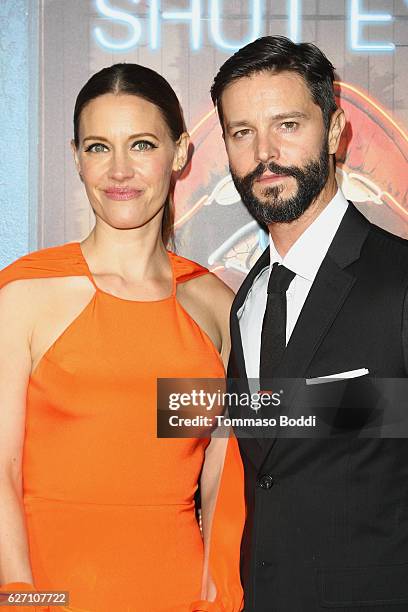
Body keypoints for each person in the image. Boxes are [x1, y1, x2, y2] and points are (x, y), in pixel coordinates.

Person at [0, 63, 245, 612]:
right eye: (97, 148)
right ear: (75, 157)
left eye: (141, 144)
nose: (118, 171)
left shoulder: (216, 307)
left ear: (180, 153)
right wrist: (23, 597)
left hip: (178, 593)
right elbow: (2, 468)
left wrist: (215, 594)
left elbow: (222, 481)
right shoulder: (25, 294)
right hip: (51, 591)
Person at [210, 35, 408, 611]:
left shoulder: (398, 281)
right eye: (241, 132)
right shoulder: (246, 299)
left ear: (337, 128)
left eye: (287, 125)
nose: (264, 153)